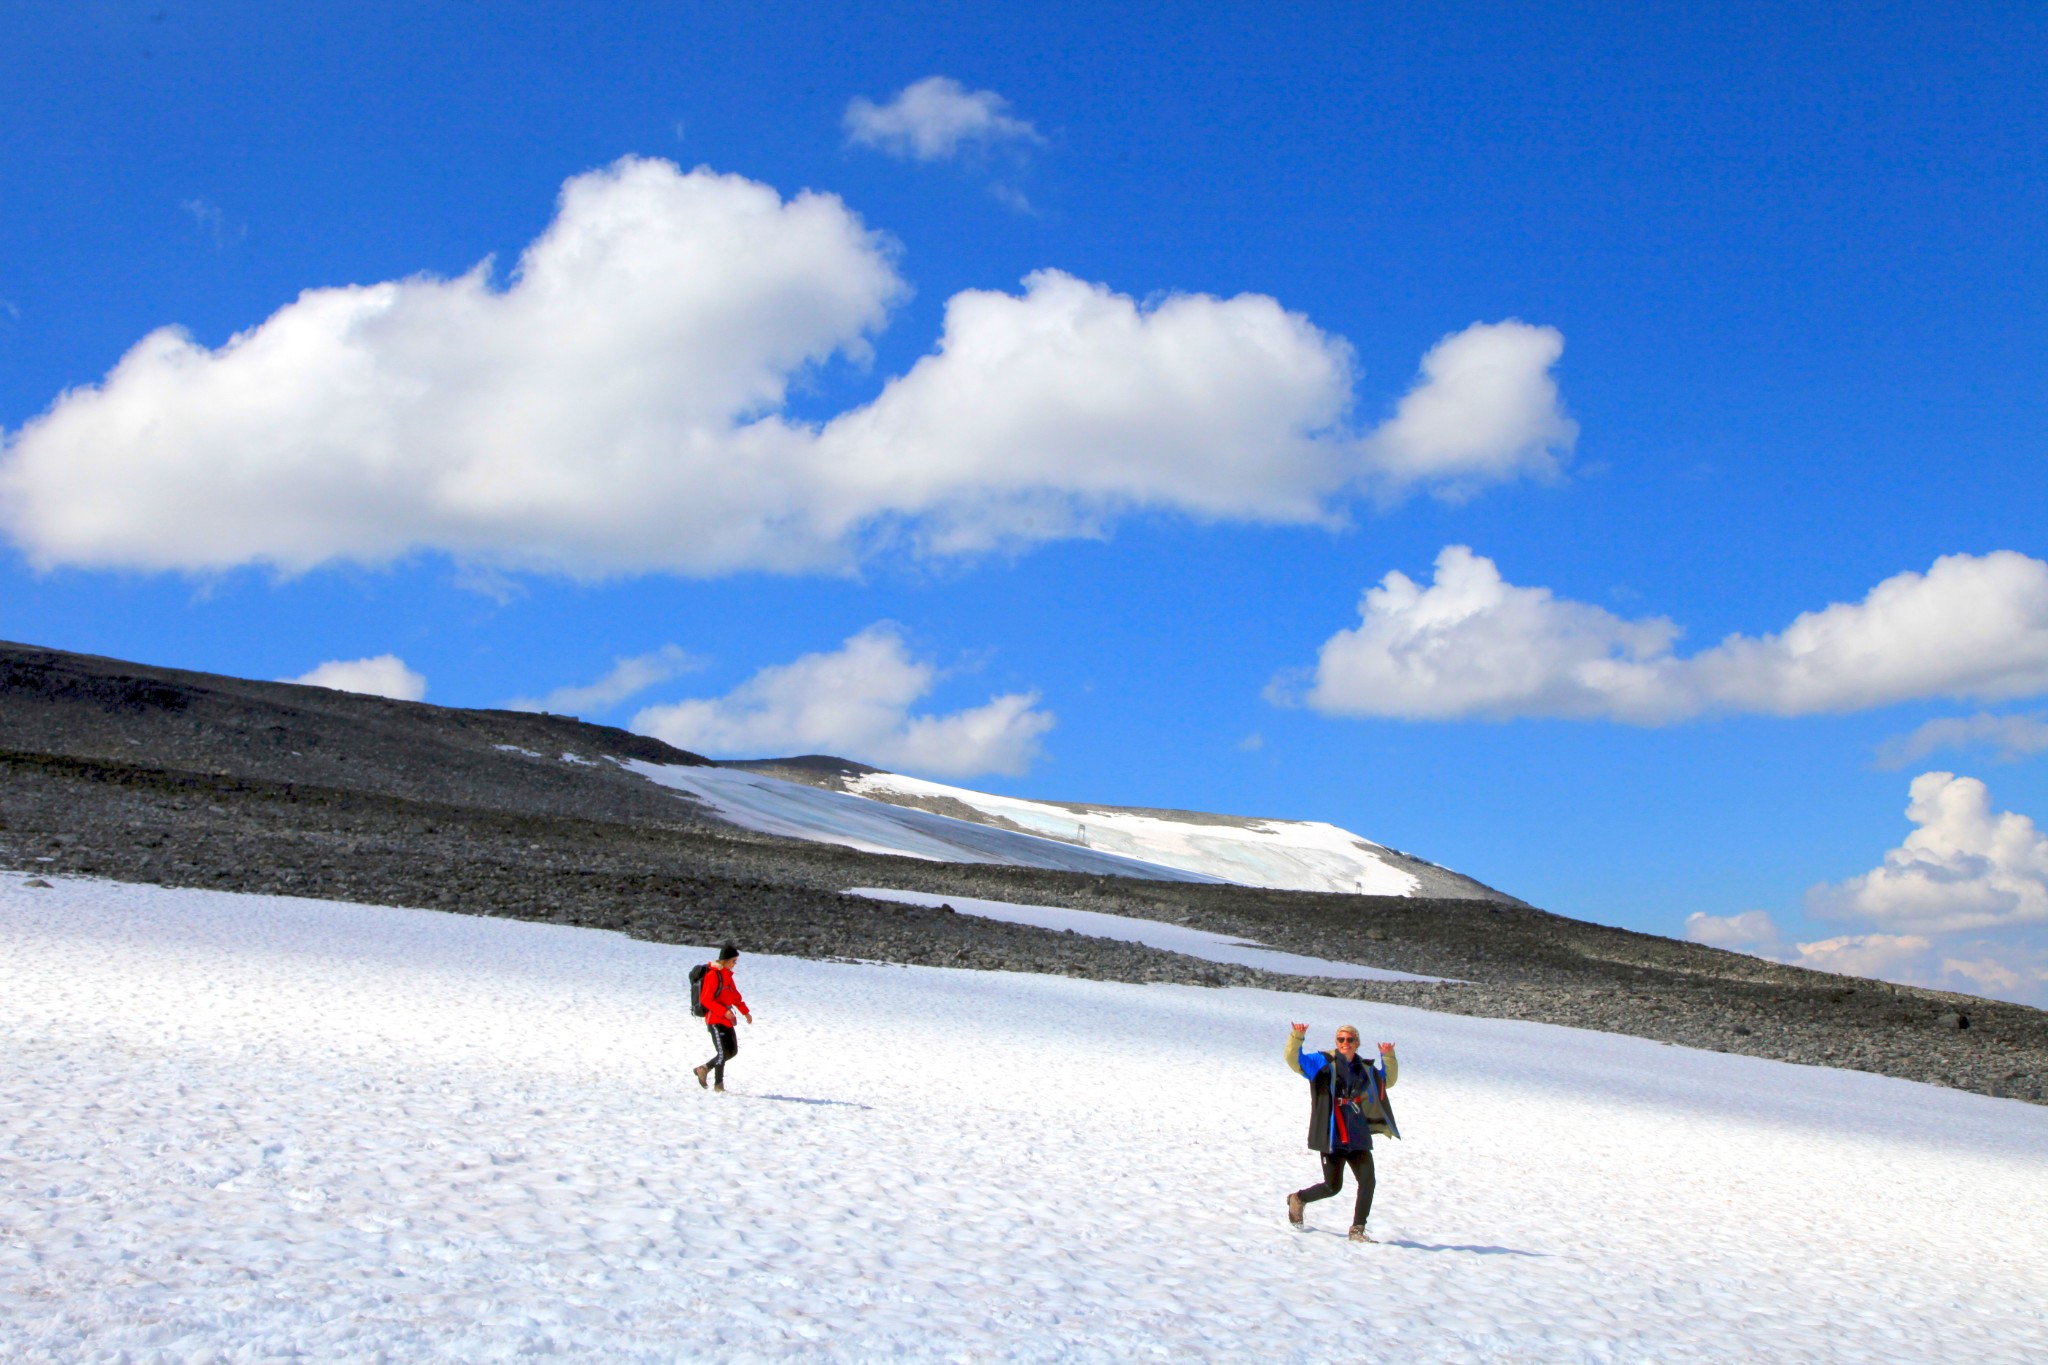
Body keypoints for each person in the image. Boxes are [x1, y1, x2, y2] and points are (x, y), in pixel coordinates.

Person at [1284, 1022, 1399, 1242]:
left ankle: (1357, 1229)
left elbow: (1386, 1081)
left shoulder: (1364, 1067)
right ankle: (1298, 1199)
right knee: (1332, 1186)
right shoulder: (1322, 1062)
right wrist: (1297, 1036)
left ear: (1357, 1043)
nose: (1344, 1043)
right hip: (1331, 1133)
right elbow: (1294, 1060)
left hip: (1358, 1134)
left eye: (1349, 1040)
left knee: (1368, 1181)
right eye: (1340, 1039)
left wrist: (1388, 1057)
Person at [692, 943, 752, 1092]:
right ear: (724, 961)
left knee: (732, 1051)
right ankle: (718, 1086)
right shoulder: (713, 975)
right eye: (733, 961)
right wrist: (724, 1012)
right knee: (723, 1053)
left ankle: (704, 1069)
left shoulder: (727, 977)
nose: (735, 964)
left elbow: (735, 996)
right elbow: (706, 1000)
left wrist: (745, 1012)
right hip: (715, 1020)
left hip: (726, 1019)